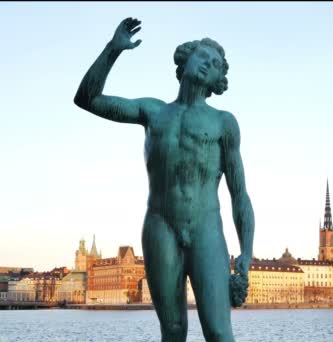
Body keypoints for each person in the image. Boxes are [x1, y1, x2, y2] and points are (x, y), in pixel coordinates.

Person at [74, 17, 254, 342]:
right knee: (172, 331)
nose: (207, 64)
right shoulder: (153, 112)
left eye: (214, 64)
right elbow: (87, 99)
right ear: (186, 60)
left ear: (217, 80)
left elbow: (239, 194)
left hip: (207, 231)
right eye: (202, 56)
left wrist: (245, 253)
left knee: (218, 331)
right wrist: (112, 50)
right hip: (160, 228)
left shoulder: (223, 123)